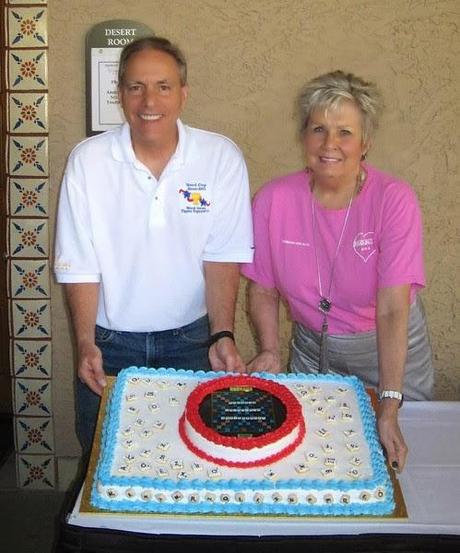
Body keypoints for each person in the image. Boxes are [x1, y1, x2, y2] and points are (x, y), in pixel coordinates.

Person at [54, 36, 253, 453]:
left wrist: (222, 335)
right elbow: (79, 265)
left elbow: (221, 258)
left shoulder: (220, 158)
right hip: (110, 345)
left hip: (195, 344)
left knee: (194, 460)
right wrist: (86, 343)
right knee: (104, 463)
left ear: (183, 93)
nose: (149, 100)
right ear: (120, 94)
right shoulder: (87, 162)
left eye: (163, 86)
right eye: (135, 87)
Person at [241, 70, 433, 472]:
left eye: (345, 132)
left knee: (398, 466)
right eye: (318, 130)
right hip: (313, 352)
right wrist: (271, 349)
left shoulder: (393, 200)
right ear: (303, 138)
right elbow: (262, 288)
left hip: (389, 352)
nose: (330, 145)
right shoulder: (274, 199)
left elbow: (393, 309)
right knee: (315, 463)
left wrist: (389, 401)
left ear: (366, 143)